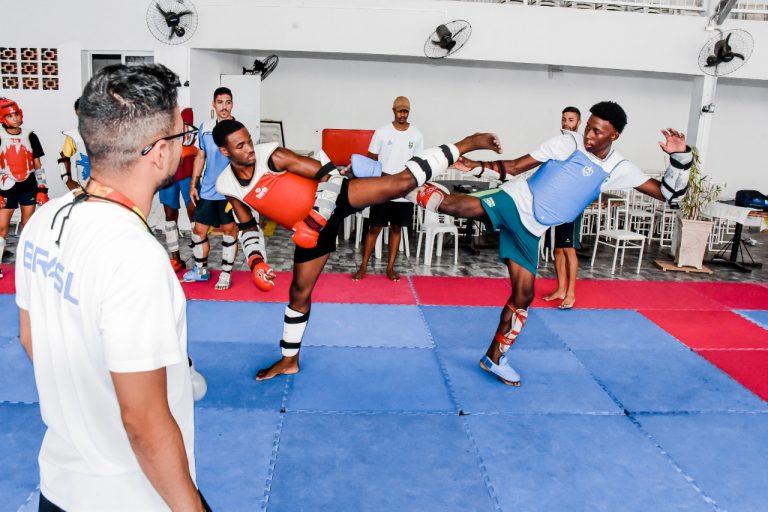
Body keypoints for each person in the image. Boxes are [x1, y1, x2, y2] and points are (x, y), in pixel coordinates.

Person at [15, 64, 209, 512]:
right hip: (130, 497)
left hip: (60, 484)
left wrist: (85, 407)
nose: (185, 143)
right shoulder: (135, 256)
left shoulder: (45, 218)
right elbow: (143, 421)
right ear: (159, 152)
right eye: (183, 135)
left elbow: (32, 338)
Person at [210, 119, 501, 381]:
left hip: (333, 200)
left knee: (400, 183)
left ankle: (467, 142)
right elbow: (247, 227)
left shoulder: (273, 156)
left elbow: (331, 176)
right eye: (240, 145)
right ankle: (289, 360)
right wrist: (256, 261)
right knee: (298, 294)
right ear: (225, 152)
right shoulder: (227, 184)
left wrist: (316, 217)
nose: (249, 148)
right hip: (311, 231)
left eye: (248, 139)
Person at [428, 101, 691, 386]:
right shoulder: (568, 143)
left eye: (598, 132)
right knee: (461, 207)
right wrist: (476, 166)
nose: (589, 135)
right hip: (515, 201)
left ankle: (494, 358)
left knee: (523, 297)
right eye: (588, 127)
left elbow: (669, 196)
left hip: (532, 230)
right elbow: (516, 167)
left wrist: (680, 157)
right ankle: (403, 185)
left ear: (614, 136)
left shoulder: (619, 167)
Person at [353, 96, 424, 282]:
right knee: (375, 228)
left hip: (404, 190)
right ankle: (363, 267)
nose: (403, 114)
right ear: (393, 110)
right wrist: (377, 181)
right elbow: (371, 158)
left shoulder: (416, 134)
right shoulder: (383, 132)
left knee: (396, 228)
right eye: (400, 111)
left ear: (409, 112)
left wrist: (407, 181)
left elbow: (418, 163)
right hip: (383, 188)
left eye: (406, 111)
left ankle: (390, 268)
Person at [184, 87, 238, 290]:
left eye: (228, 102)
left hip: (228, 191)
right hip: (207, 188)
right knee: (198, 231)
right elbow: (200, 156)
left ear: (232, 104)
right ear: (213, 104)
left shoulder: (237, 129)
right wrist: (193, 184)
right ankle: (200, 271)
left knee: (229, 231)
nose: (224, 106)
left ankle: (225, 274)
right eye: (220, 102)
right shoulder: (205, 127)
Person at [0, 97, 48, 279]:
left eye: (17, 114)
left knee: (28, 225)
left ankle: (23, 265)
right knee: (2, 228)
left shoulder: (30, 135)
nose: (16, 118)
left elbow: (37, 164)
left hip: (28, 185)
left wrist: (42, 188)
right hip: (5, 186)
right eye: (11, 116)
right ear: (3, 118)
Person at [542, 106, 583, 309]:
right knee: (557, 249)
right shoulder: (559, 145)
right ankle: (560, 289)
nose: (566, 123)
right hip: (558, 202)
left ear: (579, 122)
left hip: (573, 204)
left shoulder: (582, 146)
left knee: (568, 249)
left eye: (571, 120)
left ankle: (571, 294)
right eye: (564, 119)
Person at [159, 107, 198, 272]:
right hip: (168, 177)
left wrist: (184, 152)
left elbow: (197, 151)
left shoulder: (193, 131)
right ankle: (175, 259)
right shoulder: (161, 131)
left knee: (195, 217)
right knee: (169, 217)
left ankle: (199, 260)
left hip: (188, 176)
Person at [58, 97, 91, 191]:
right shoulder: (74, 135)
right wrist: (68, 180)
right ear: (78, 112)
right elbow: (63, 156)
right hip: (84, 185)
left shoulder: (110, 133)